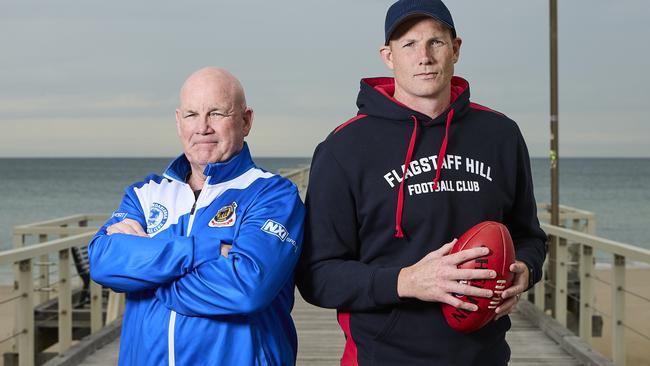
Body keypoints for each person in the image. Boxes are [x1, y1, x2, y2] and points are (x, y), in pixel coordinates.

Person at [296, 0, 547, 365]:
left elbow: (529, 236)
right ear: (388, 56)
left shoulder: (501, 136)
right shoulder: (344, 148)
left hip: (484, 355)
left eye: (436, 42)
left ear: (456, 49)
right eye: (409, 44)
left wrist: (524, 269)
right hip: (381, 356)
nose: (424, 56)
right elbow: (317, 275)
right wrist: (407, 281)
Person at [88, 67, 305, 365]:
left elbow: (247, 287)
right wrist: (205, 250)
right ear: (178, 122)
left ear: (245, 121)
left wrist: (149, 277)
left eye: (216, 113)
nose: (202, 127)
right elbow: (102, 260)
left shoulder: (272, 195)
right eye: (192, 115)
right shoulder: (146, 193)